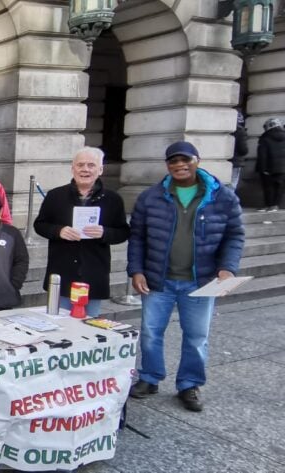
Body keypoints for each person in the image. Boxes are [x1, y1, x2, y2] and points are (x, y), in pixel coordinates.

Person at [127, 141, 244, 413]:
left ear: (197, 161)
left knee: (196, 336)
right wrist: (136, 270)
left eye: (185, 160)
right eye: (173, 161)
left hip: (200, 280)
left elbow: (234, 235)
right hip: (159, 279)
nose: (179, 165)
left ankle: (189, 384)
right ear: (167, 165)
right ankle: (150, 377)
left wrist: (228, 267)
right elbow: (138, 237)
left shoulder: (222, 196)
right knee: (150, 332)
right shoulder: (151, 197)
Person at [32, 147, 130, 317]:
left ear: (100, 170)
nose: (85, 169)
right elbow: (39, 225)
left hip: (93, 273)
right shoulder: (55, 196)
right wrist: (58, 231)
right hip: (62, 272)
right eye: (80, 165)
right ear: (73, 168)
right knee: (58, 323)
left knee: (89, 324)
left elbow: (123, 232)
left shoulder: (113, 199)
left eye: (91, 165)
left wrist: (104, 233)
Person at [256, 117, 285, 212]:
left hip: (268, 167)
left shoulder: (265, 138)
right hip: (282, 167)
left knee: (268, 186)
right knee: (279, 187)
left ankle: (268, 205)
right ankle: (275, 206)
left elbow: (262, 155)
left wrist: (262, 168)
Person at [230, 111, 248, 190]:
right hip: (236, 161)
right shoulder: (240, 131)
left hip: (227, 159)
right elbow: (243, 149)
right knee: (232, 184)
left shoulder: (229, 130)